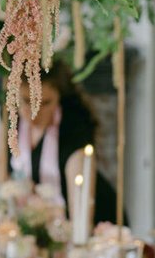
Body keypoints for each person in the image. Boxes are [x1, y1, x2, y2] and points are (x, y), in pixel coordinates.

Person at [9, 61, 118, 225]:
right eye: (26, 101)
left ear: (59, 97)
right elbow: (4, 187)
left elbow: (80, 211)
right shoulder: (12, 124)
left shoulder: (74, 130)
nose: (34, 112)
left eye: (45, 103)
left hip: (96, 221)